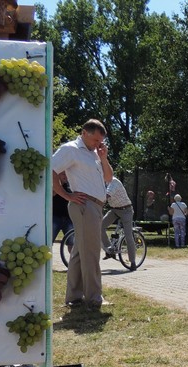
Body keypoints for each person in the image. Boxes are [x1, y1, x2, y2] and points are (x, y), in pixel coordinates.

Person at [52, 118, 112, 309]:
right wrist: (65, 194)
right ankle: (94, 298)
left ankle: (74, 296)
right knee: (92, 252)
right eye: (95, 140)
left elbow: (108, 177)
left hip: (93, 206)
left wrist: (103, 157)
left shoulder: (94, 153)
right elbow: (50, 169)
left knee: (79, 253)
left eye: (100, 141)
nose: (98, 144)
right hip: (85, 205)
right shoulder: (70, 149)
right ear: (84, 132)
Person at [100, 176, 137, 270]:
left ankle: (133, 262)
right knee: (100, 226)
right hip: (115, 210)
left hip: (126, 210)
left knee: (128, 236)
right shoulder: (101, 182)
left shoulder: (114, 182)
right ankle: (110, 250)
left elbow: (106, 195)